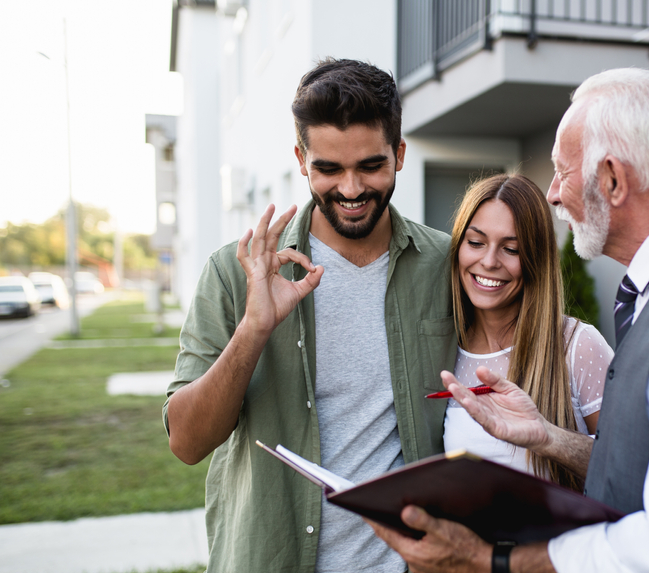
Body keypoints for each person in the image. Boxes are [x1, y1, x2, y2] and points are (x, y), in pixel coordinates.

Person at [369, 67, 649, 573]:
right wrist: (545, 436)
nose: (554, 194)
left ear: (611, 179)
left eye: (562, 171)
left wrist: (493, 561)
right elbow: (647, 477)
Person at [163, 58, 456, 573]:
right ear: (301, 160)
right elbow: (186, 443)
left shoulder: (445, 265)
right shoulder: (234, 273)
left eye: (370, 166)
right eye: (328, 169)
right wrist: (255, 328)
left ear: (400, 155)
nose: (350, 189)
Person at [442, 174, 613, 490]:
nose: (489, 261)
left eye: (511, 249)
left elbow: (631, 470)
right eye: (476, 243)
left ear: (535, 258)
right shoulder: (444, 347)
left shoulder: (577, 345)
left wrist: (551, 439)